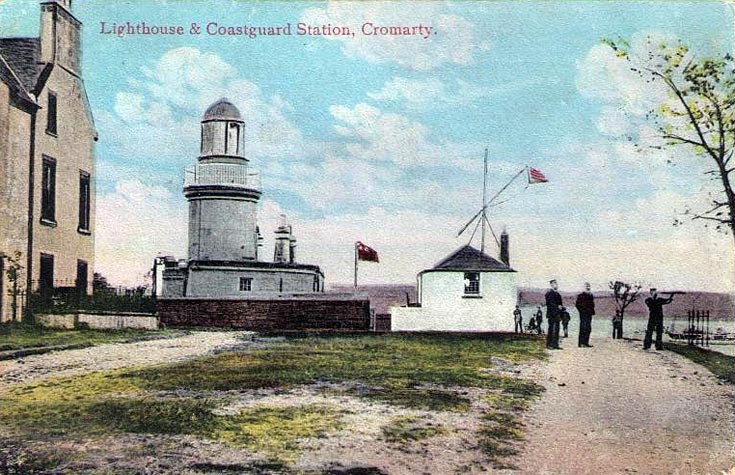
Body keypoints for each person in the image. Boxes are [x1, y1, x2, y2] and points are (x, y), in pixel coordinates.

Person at [575, 282, 595, 347]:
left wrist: (592, 312)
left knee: (588, 328)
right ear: (584, 287)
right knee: (583, 328)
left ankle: (586, 342)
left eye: (589, 286)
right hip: (583, 314)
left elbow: (592, 305)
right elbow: (577, 305)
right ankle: (581, 343)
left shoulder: (591, 295)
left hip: (589, 314)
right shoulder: (580, 295)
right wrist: (582, 311)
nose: (588, 288)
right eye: (586, 286)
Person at [545, 279, 563, 349]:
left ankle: (555, 344)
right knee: (551, 329)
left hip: (557, 314)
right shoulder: (549, 293)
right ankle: (549, 344)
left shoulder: (558, 294)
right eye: (554, 283)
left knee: (557, 329)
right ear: (551, 284)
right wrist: (557, 307)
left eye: (556, 283)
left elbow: (560, 303)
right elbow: (550, 303)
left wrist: (561, 307)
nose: (556, 284)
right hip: (551, 314)